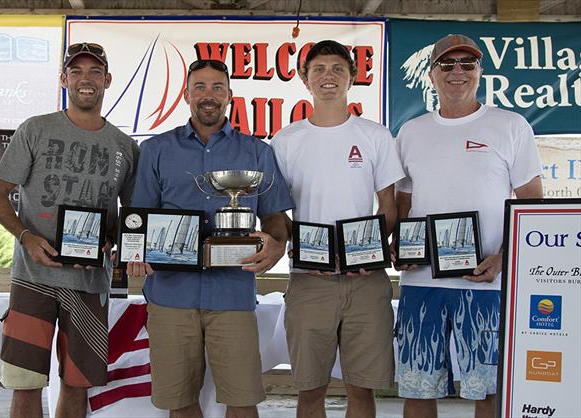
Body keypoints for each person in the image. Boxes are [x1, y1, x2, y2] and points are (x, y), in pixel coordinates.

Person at [126, 59, 294, 418]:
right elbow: (139, 218)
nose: (208, 95)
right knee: (180, 402)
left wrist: (276, 245)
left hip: (232, 294)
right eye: (199, 87)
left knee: (242, 399)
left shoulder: (257, 152)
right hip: (171, 295)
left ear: (230, 96)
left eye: (218, 87)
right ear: (186, 94)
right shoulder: (157, 150)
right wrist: (135, 250)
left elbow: (276, 217)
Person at [0, 42, 139, 418]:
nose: (86, 79)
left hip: (88, 284)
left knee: (77, 385)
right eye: (77, 71)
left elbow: (132, 219)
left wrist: (111, 243)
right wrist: (26, 237)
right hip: (32, 278)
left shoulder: (125, 147)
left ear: (108, 80)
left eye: (94, 72)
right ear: (64, 79)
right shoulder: (36, 130)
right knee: (25, 383)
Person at [393, 34, 543, 418]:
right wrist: (400, 246)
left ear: (479, 72)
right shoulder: (411, 132)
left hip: (486, 284)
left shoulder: (511, 126)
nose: (457, 72)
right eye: (447, 64)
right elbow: (404, 201)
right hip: (421, 284)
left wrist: (505, 258)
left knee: (489, 392)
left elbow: (532, 203)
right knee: (417, 390)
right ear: (432, 74)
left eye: (467, 64)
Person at [270, 40, 404, 418]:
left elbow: (389, 209)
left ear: (352, 77)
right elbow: (277, 213)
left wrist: (368, 249)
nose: (328, 76)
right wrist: (300, 243)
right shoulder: (285, 140)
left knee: (362, 391)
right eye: (319, 69)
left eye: (337, 69)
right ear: (304, 78)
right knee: (310, 392)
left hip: (366, 280)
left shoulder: (376, 136)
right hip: (310, 279)